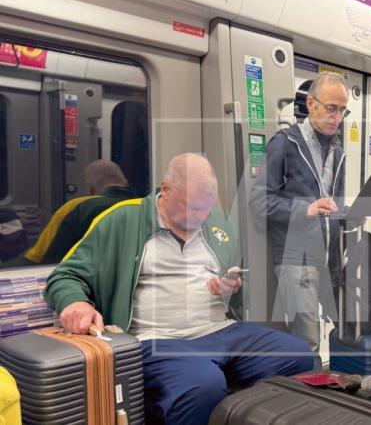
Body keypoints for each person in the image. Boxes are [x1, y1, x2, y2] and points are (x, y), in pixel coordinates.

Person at [44, 153, 313, 425]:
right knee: (203, 385)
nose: (201, 217)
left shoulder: (220, 225)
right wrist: (75, 303)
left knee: (297, 355)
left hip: (220, 330)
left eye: (207, 208)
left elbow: (237, 289)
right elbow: (65, 276)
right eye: (192, 208)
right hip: (157, 338)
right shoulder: (122, 220)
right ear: (165, 190)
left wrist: (232, 288)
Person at [249, 72, 348, 364]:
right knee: (307, 340)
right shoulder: (285, 143)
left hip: (328, 255)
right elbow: (258, 200)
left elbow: (333, 204)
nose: (337, 117)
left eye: (342, 110)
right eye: (331, 108)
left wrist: (346, 218)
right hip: (297, 258)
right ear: (311, 104)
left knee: (339, 327)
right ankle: (309, 402)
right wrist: (304, 210)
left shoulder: (338, 151)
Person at [20, 160, 137, 265]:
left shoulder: (78, 207)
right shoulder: (148, 206)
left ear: (90, 187)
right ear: (125, 183)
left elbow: (40, 258)